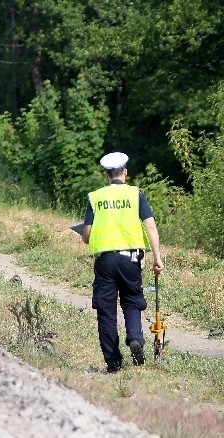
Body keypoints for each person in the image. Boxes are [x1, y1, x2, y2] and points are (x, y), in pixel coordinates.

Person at [81, 152, 164, 373]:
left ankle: (113, 362)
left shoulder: (96, 197)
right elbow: (151, 226)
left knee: (106, 310)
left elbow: (87, 233)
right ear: (125, 172)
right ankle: (135, 337)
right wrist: (157, 258)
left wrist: (85, 233)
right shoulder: (136, 194)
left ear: (105, 175)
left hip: (105, 261)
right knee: (132, 300)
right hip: (131, 259)